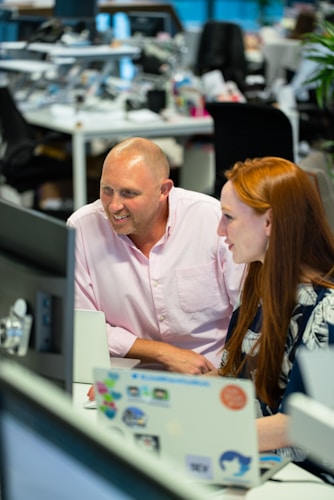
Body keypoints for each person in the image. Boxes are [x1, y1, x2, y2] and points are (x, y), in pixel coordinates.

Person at [67, 137, 244, 374]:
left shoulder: (210, 219)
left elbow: (249, 311)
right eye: (107, 190)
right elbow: (83, 325)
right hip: (127, 373)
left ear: (164, 190)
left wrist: (227, 373)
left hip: (212, 372)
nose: (113, 206)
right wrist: (164, 353)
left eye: (129, 193)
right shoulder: (82, 228)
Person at [208, 156, 334, 477]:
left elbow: (299, 424)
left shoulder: (327, 309)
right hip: (258, 462)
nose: (220, 230)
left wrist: (197, 435)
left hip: (306, 478)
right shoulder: (258, 281)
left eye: (228, 217)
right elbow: (231, 381)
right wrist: (148, 394)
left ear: (269, 223)